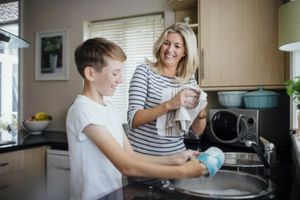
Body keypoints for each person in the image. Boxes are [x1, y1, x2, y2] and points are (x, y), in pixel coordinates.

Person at [66, 37, 223, 200]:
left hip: (113, 194)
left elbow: (131, 156)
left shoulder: (109, 108)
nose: (120, 80)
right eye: (115, 73)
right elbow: (126, 166)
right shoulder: (82, 109)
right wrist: (184, 171)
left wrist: (175, 159)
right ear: (90, 73)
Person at [127, 23, 207, 157]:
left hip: (177, 159)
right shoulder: (144, 72)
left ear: (185, 52)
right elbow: (133, 120)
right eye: (166, 43)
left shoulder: (189, 81)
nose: (170, 49)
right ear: (160, 45)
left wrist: (201, 109)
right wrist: (170, 104)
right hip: (143, 161)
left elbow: (197, 131)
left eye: (177, 46)